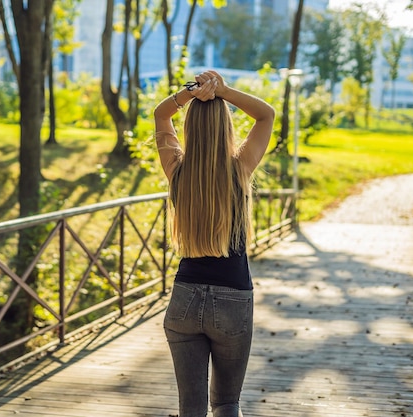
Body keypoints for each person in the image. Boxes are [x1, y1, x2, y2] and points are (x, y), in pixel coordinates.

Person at [153, 70, 275, 417]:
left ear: (189, 127)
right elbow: (266, 114)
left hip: (184, 299)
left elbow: (161, 115)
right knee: (225, 403)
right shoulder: (240, 168)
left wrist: (190, 94)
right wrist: (223, 90)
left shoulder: (176, 169)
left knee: (190, 410)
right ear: (227, 128)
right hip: (233, 299)